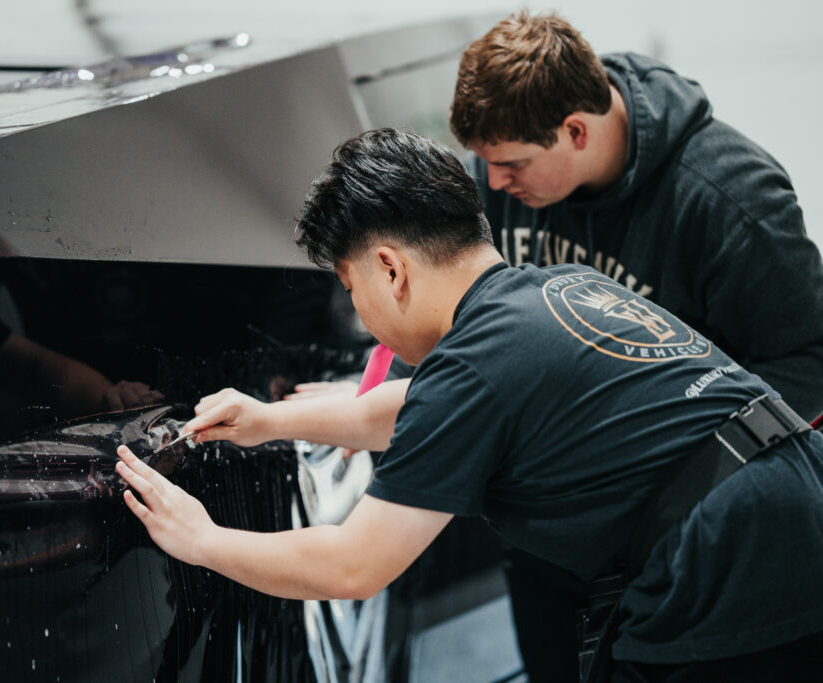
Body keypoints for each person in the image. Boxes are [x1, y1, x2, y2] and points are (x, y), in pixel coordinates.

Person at [115, 128, 823, 682]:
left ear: (390, 268)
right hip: (795, 491)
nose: (364, 317)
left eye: (353, 289)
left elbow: (354, 565)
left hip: (731, 560)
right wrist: (270, 420)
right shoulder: (555, 288)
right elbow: (414, 409)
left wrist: (203, 541)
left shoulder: (474, 366)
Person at [449, 12, 823, 678]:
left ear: (576, 130)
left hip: (680, 542)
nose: (495, 184)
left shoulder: (730, 197)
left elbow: (809, 358)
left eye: (510, 165)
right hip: (549, 533)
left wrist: (680, 481)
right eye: (487, 164)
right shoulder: (504, 178)